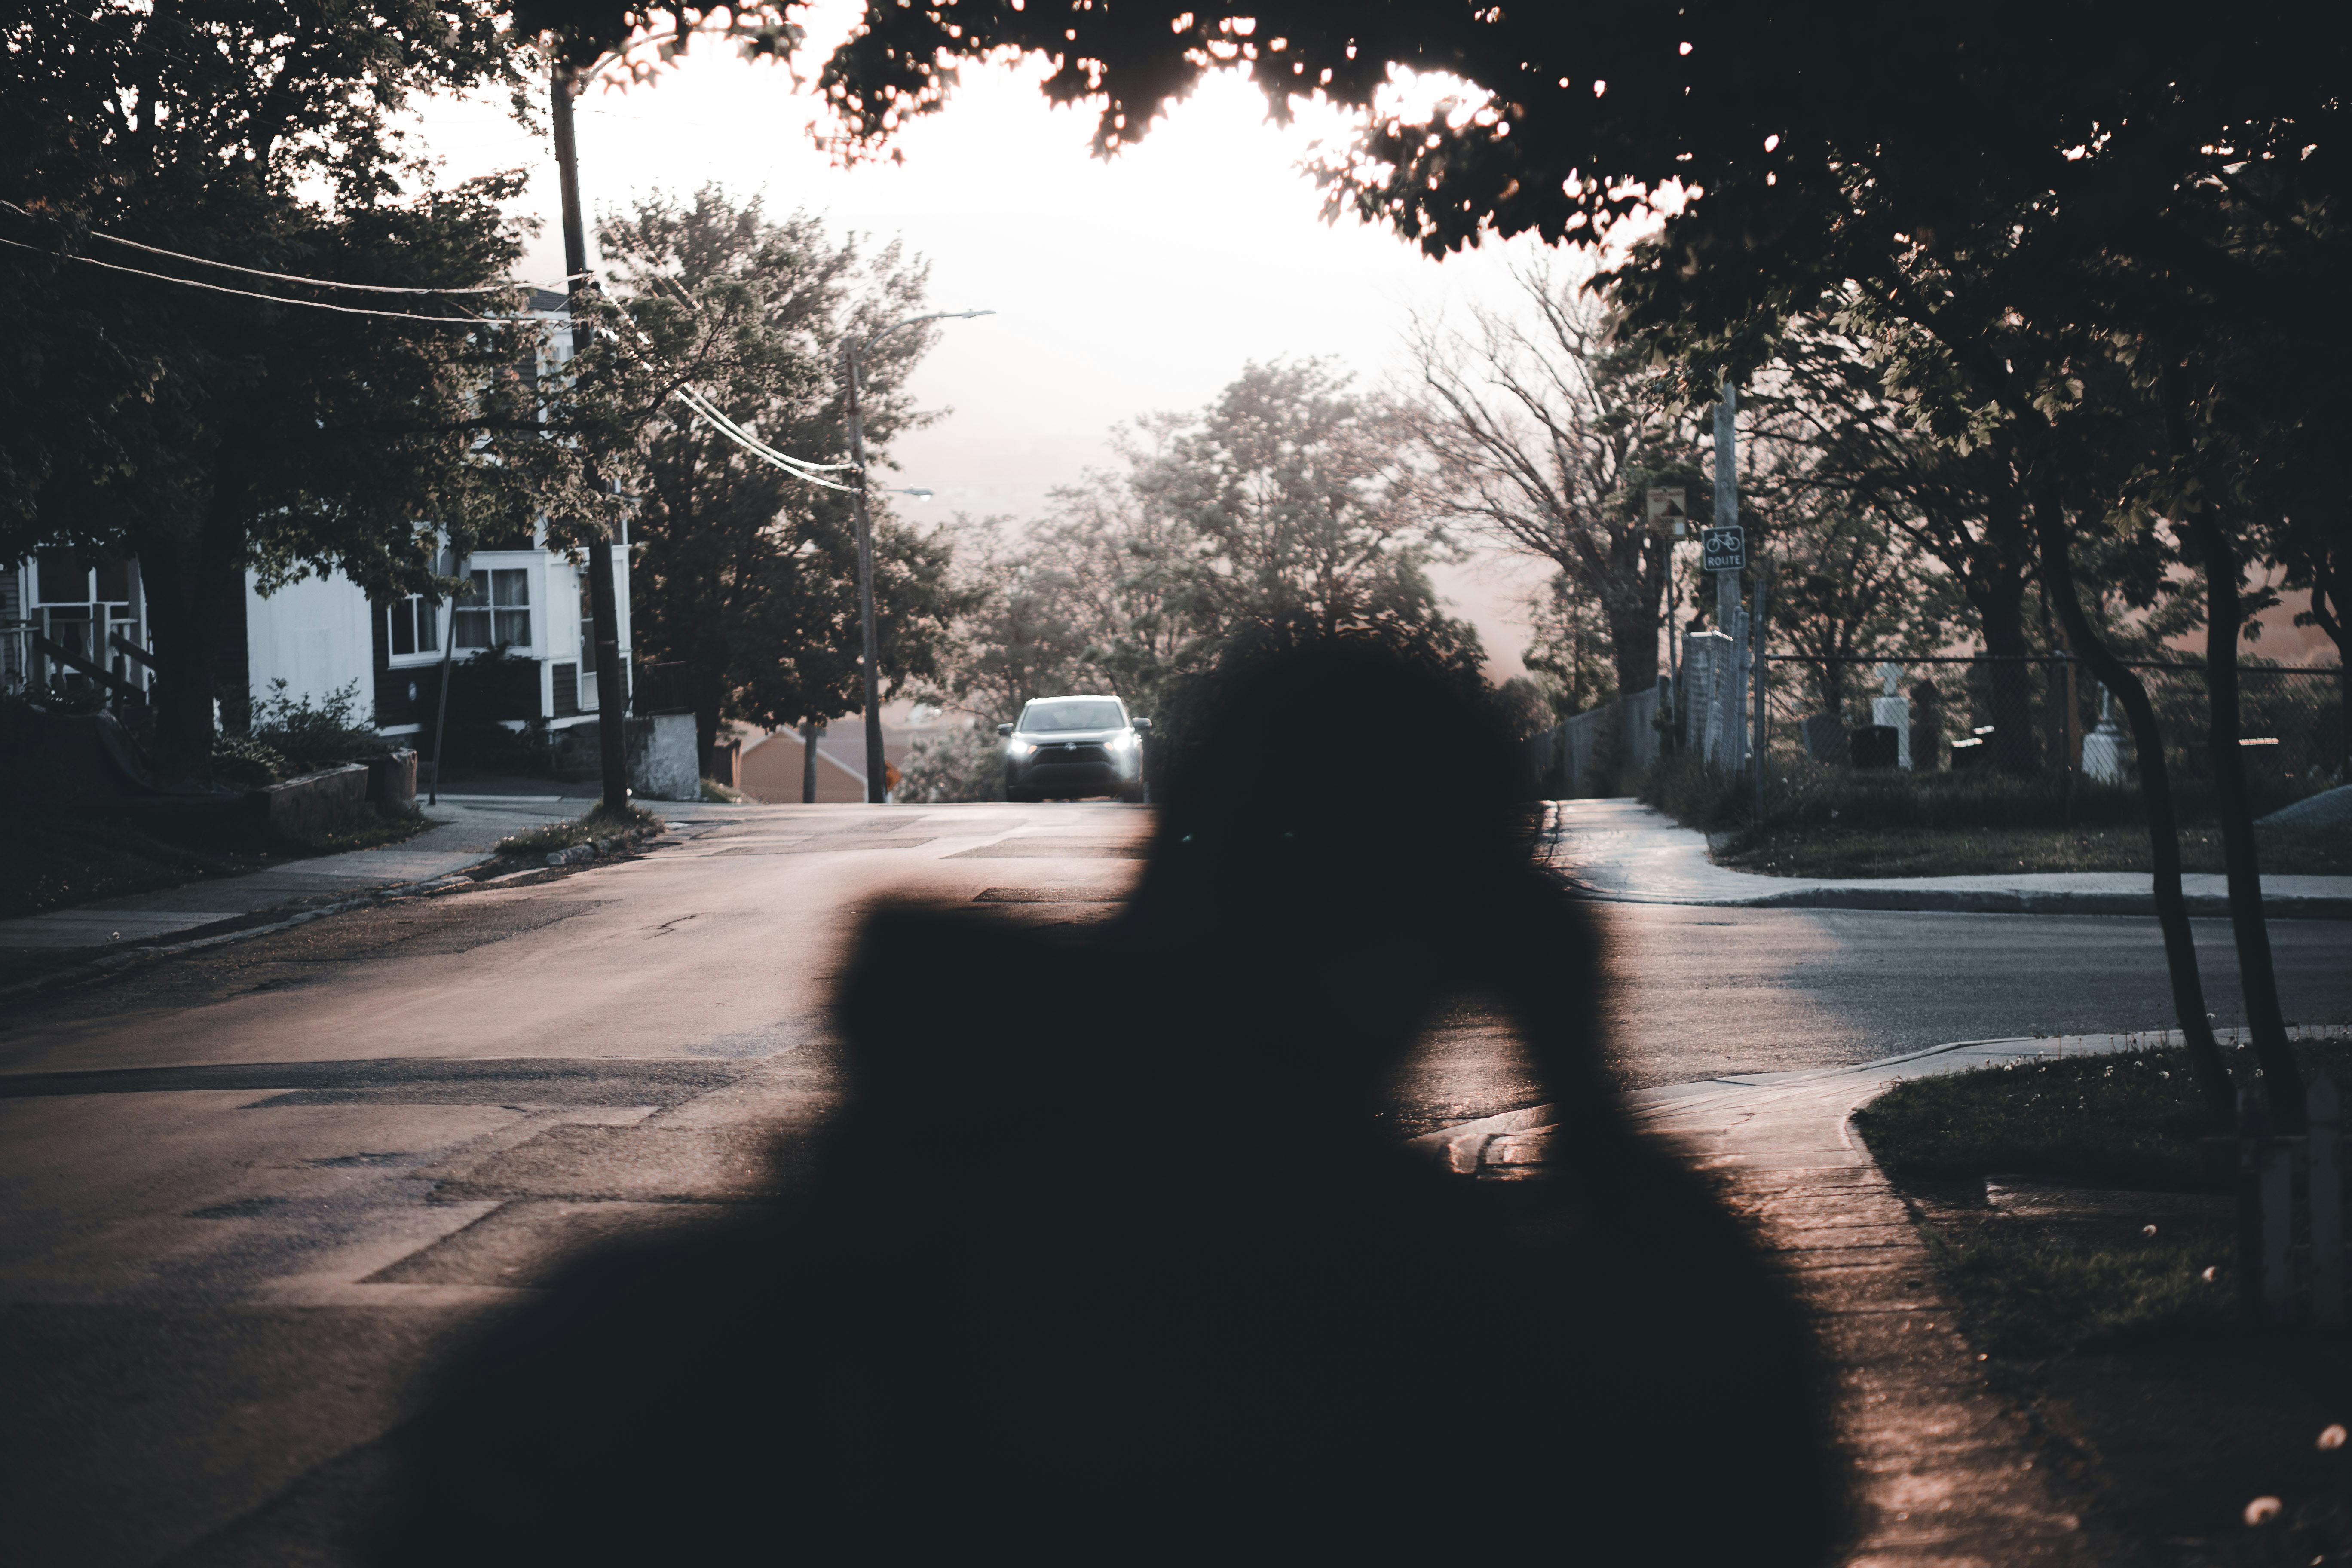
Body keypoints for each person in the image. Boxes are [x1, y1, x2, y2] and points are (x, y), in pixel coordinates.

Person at [371, 643, 1839, 1564]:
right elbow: (1760, 1490)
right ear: (1471, 942)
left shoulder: (676, 1337)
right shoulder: (1475, 1351)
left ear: (1161, 863)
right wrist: (1588, 1091)